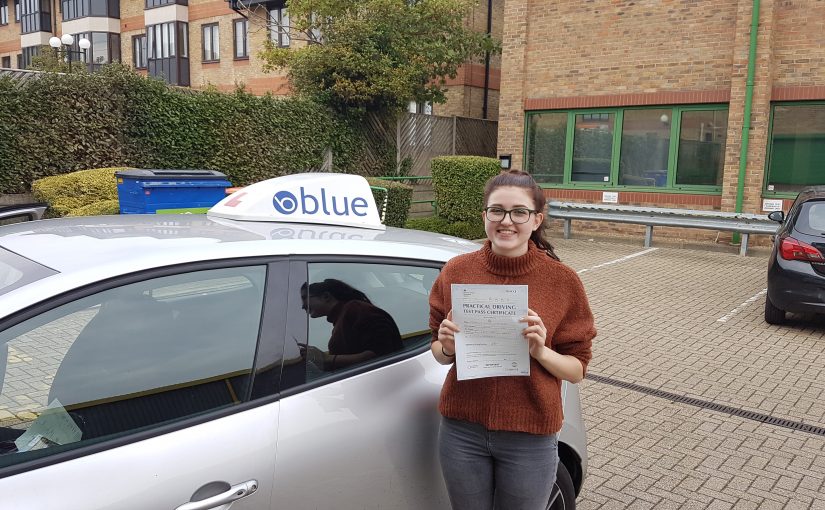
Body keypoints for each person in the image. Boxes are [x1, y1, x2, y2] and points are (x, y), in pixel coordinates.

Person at [429, 169, 596, 510]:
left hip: (530, 436)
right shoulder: (456, 271)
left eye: (519, 212)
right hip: (462, 431)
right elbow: (438, 351)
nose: (507, 221)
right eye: (497, 210)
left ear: (537, 219)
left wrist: (540, 350)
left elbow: (576, 369)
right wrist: (446, 346)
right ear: (485, 216)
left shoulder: (562, 280)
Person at [301, 279, 403, 371]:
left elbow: (380, 355)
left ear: (326, 296)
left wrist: (325, 358)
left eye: (305, 298)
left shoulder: (356, 309)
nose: (302, 306)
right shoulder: (343, 317)